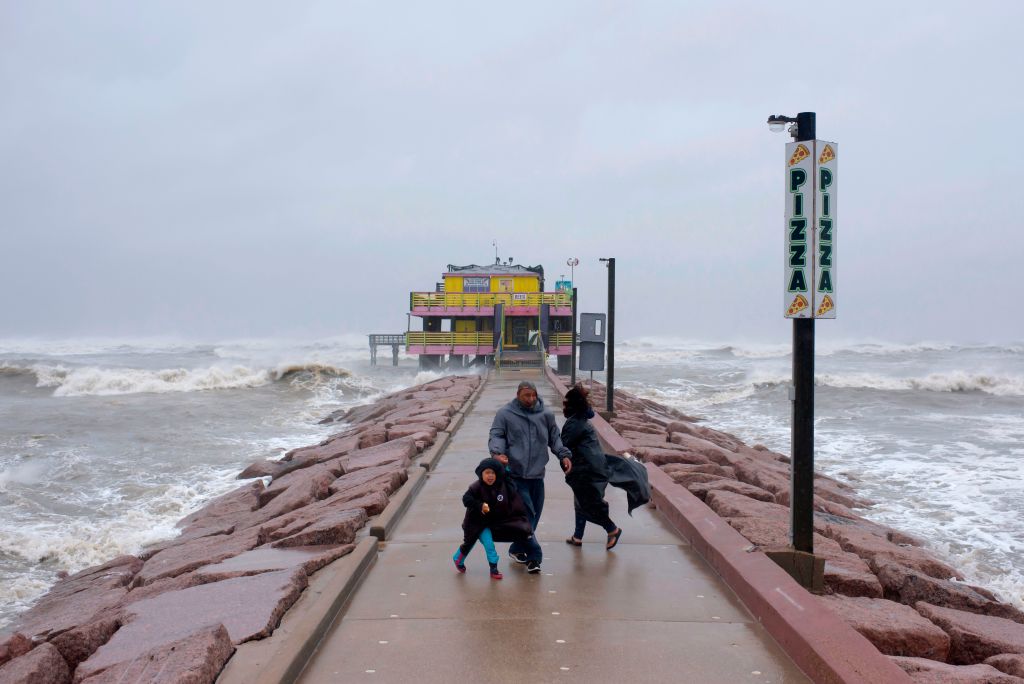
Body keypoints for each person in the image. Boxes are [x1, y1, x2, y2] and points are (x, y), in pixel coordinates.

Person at [488, 380, 572, 572]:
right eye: (527, 395)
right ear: (518, 394)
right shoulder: (505, 414)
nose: (531, 399)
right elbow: (497, 435)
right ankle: (535, 557)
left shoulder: (546, 414)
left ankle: (517, 547)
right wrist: (496, 453)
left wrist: (563, 455)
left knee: (534, 516)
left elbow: (555, 438)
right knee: (527, 515)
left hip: (537, 475)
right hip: (514, 475)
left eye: (533, 395)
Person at [453, 457, 541, 578]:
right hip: (475, 523)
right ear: (481, 474)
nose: (490, 476)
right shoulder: (476, 486)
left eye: (493, 473)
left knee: (489, 546)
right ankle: (458, 559)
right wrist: (480, 505)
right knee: (468, 544)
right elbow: (466, 499)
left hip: (488, 524)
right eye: (487, 472)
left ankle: (494, 570)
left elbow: (511, 484)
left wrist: (507, 468)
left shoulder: (501, 486)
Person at [560, 384, 622, 550]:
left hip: (586, 471)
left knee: (588, 505)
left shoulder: (575, 424)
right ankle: (577, 536)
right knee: (580, 502)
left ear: (572, 405)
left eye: (565, 403)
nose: (563, 406)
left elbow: (562, 447)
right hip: (590, 468)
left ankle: (612, 529)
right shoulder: (581, 419)